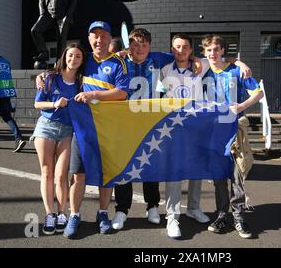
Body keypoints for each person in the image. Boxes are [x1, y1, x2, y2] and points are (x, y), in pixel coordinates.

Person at [160, 33, 252, 239]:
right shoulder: (164, 69)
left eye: (185, 47)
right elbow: (156, 95)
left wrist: (240, 62)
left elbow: (220, 58)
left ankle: (193, 208)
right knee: (175, 173)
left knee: (197, 170)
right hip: (174, 129)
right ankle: (172, 216)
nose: (181, 50)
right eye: (177, 47)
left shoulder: (203, 64)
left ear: (192, 50)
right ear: (172, 49)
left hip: (200, 128)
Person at [55, 21, 129, 238]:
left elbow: (122, 93)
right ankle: (75, 214)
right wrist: (43, 76)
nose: (99, 39)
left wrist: (93, 94)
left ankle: (102, 213)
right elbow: (62, 69)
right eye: (95, 36)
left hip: (109, 129)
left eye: (104, 35)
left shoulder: (119, 63)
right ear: (89, 39)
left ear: (109, 39)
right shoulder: (83, 58)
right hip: (83, 128)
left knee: (107, 175)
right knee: (78, 174)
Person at [111, 28, 177, 231]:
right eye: (135, 44)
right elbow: (90, 63)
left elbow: (185, 55)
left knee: (150, 164)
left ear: (150, 46)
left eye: (144, 45)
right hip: (123, 123)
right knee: (124, 166)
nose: (139, 48)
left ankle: (152, 206)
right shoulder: (119, 62)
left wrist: (237, 62)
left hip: (150, 121)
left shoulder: (157, 58)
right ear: (129, 45)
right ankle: (122, 209)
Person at [201, 34, 263, 239]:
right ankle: (221, 215)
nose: (212, 53)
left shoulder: (236, 71)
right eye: (208, 50)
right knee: (218, 178)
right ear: (204, 52)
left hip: (234, 130)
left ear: (222, 51)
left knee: (237, 177)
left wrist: (242, 106)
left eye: (216, 49)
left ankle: (238, 217)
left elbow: (259, 93)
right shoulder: (202, 73)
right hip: (213, 132)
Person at [31, 43, 86, 235]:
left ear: (81, 61)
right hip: (46, 127)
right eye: (70, 55)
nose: (73, 59)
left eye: (78, 56)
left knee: (62, 175)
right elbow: (37, 103)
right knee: (47, 172)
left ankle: (62, 213)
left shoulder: (82, 82)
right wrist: (55, 103)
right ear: (65, 57)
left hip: (68, 131)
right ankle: (49, 214)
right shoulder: (50, 78)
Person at [31, 0, 77, 68]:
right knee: (35, 30)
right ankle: (43, 52)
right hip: (48, 14)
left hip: (62, 16)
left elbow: (73, 2)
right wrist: (42, 13)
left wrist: (67, 16)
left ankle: (59, 62)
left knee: (61, 39)